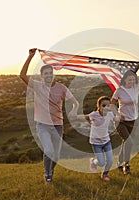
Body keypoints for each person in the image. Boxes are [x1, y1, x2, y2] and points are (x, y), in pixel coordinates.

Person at [20, 48, 79, 184]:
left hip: (58, 126)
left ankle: (50, 170)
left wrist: (74, 110)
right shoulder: (37, 86)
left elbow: (75, 102)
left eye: (50, 73)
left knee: (56, 156)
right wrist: (30, 57)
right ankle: (47, 175)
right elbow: (22, 75)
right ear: (41, 76)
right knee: (49, 150)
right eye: (46, 73)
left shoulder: (62, 88)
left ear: (53, 74)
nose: (48, 75)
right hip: (43, 125)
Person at [111, 61, 139, 175]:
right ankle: (127, 165)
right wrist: (118, 115)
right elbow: (111, 104)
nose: (132, 81)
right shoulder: (119, 90)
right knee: (129, 141)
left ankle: (119, 163)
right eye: (129, 79)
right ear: (125, 80)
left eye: (133, 79)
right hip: (121, 121)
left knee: (126, 142)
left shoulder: (136, 88)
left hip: (133, 121)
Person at [73, 96, 120, 181]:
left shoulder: (110, 114)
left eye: (108, 105)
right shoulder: (94, 114)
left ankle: (104, 174)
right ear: (99, 106)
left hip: (106, 141)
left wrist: (121, 117)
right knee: (101, 163)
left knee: (110, 160)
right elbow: (85, 117)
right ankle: (93, 161)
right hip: (96, 142)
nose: (106, 108)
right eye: (103, 105)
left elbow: (116, 119)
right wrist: (75, 116)